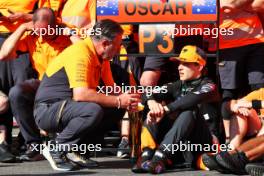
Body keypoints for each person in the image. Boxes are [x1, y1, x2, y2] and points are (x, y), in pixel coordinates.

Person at [33, 19, 141, 171]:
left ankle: (75, 150)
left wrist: (130, 99)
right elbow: (81, 95)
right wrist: (119, 100)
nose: (118, 50)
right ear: (105, 43)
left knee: (115, 108)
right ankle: (56, 148)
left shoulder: (101, 57)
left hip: (68, 108)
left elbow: (112, 89)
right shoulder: (81, 52)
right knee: (92, 110)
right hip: (48, 111)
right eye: (117, 46)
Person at [0, 7, 75, 161]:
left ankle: (68, 146)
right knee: (17, 93)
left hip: (68, 84)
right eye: (38, 30)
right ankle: (34, 145)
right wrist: (21, 28)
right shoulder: (33, 36)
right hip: (43, 84)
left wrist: (71, 34)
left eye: (46, 31)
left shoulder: (68, 32)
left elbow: (87, 49)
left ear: (55, 25)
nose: (42, 34)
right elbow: (4, 54)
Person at [132, 45, 220, 174]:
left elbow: (189, 100)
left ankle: (160, 157)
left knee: (189, 110)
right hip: (179, 142)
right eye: (179, 63)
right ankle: (146, 155)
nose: (179, 67)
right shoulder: (178, 84)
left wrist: (165, 109)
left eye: (185, 64)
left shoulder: (209, 86)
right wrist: (152, 103)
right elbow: (147, 91)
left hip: (203, 144)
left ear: (199, 66)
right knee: (154, 113)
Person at [219, 0, 264, 144]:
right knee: (229, 92)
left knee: (260, 87)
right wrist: (244, 5)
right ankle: (228, 142)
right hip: (227, 42)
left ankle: (259, 140)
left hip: (256, 39)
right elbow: (225, 4)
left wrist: (234, 5)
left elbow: (259, 4)